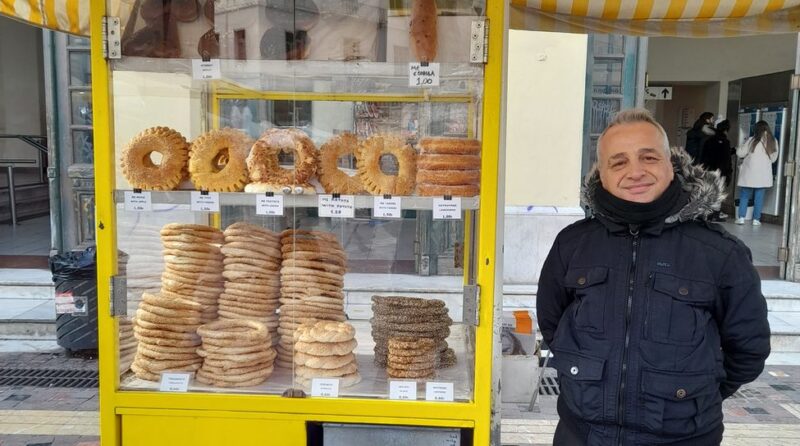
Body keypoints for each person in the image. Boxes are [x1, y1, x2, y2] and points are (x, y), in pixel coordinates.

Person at [537, 108, 770, 446]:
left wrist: (691, 395)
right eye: (618, 162)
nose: (635, 172)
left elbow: (748, 350)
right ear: (602, 175)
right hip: (583, 435)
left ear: (670, 165)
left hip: (684, 438)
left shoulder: (720, 253)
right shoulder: (573, 244)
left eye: (648, 157)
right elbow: (553, 325)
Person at [735, 120, 779, 225]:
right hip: (763, 175)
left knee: (745, 195)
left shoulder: (751, 140)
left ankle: (741, 218)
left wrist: (739, 147)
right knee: (759, 197)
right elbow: (773, 159)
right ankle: (756, 219)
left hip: (749, 173)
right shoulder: (773, 141)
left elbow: (740, 153)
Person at [699, 119, 734, 220]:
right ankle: (715, 214)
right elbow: (726, 159)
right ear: (726, 130)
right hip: (720, 171)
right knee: (718, 192)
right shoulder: (725, 142)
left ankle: (705, 213)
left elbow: (703, 157)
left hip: (708, 170)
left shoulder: (708, 140)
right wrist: (728, 173)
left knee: (708, 191)